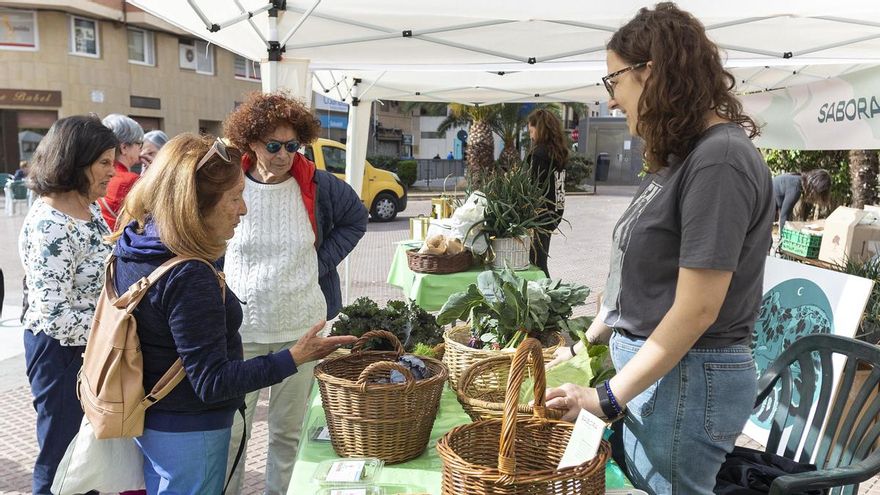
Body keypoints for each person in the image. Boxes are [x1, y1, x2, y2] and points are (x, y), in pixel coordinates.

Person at [544, 4, 773, 493]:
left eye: (614, 81)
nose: (609, 101)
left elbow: (697, 309)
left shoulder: (720, 161)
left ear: (652, 71)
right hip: (666, 377)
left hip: (688, 380)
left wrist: (605, 398)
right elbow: (647, 274)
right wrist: (592, 339)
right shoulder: (687, 157)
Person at [108, 133, 357, 494]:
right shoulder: (190, 274)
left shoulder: (133, 242)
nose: (243, 209)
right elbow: (212, 382)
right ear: (198, 203)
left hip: (153, 420)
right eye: (235, 198)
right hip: (191, 433)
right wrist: (294, 357)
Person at [221, 90, 369, 495]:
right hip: (243, 333)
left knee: (288, 435)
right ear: (250, 141)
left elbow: (356, 219)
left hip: (301, 332)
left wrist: (318, 264)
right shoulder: (230, 183)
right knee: (233, 433)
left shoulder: (319, 185)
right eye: (273, 145)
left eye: (292, 145)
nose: (284, 154)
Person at [18, 115, 118, 494]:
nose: (113, 171)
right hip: (60, 355)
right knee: (60, 453)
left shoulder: (87, 206)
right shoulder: (51, 223)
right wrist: (118, 325)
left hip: (91, 349)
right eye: (104, 163)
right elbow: (55, 315)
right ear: (75, 162)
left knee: (87, 455)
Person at [526, 108, 568, 277]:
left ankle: (548, 298)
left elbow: (531, 186)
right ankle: (548, 297)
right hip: (554, 212)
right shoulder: (558, 153)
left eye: (531, 131)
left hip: (538, 216)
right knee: (540, 261)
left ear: (539, 129)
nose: (530, 136)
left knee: (535, 264)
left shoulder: (538, 154)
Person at [99, 113, 144, 231]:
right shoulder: (131, 180)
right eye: (139, 143)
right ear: (124, 147)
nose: (141, 149)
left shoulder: (96, 174)